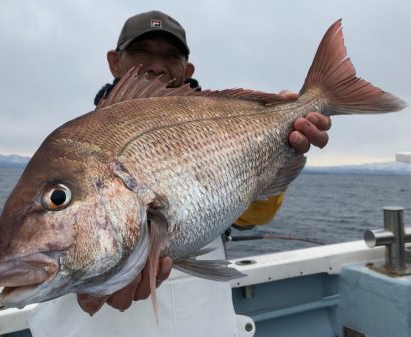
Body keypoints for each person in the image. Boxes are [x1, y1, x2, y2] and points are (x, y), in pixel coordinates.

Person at [84, 10, 331, 313]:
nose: (157, 66)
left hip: (204, 318)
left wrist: (284, 143)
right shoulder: (73, 150)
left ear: (187, 69)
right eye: (141, 52)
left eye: (171, 56)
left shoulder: (220, 128)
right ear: (114, 61)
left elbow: (247, 218)